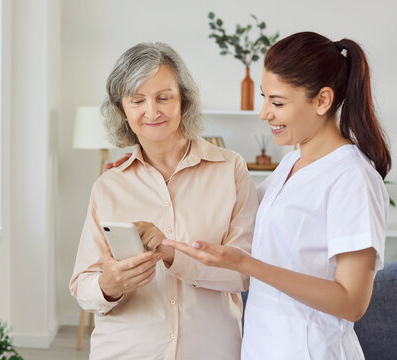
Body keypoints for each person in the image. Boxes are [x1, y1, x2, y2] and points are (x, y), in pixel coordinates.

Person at [162, 32, 391, 359]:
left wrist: (248, 264)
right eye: (264, 97)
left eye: (278, 102)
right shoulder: (289, 165)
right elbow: (227, 207)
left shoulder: (351, 177)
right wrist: (151, 169)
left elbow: (352, 302)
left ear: (323, 101)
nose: (264, 112)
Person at [69, 42, 258, 359]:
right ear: (122, 110)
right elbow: (82, 288)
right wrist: (108, 284)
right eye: (137, 100)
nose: (152, 111)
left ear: (184, 100)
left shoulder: (230, 169)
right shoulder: (108, 186)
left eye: (164, 97)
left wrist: (172, 254)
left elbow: (244, 272)